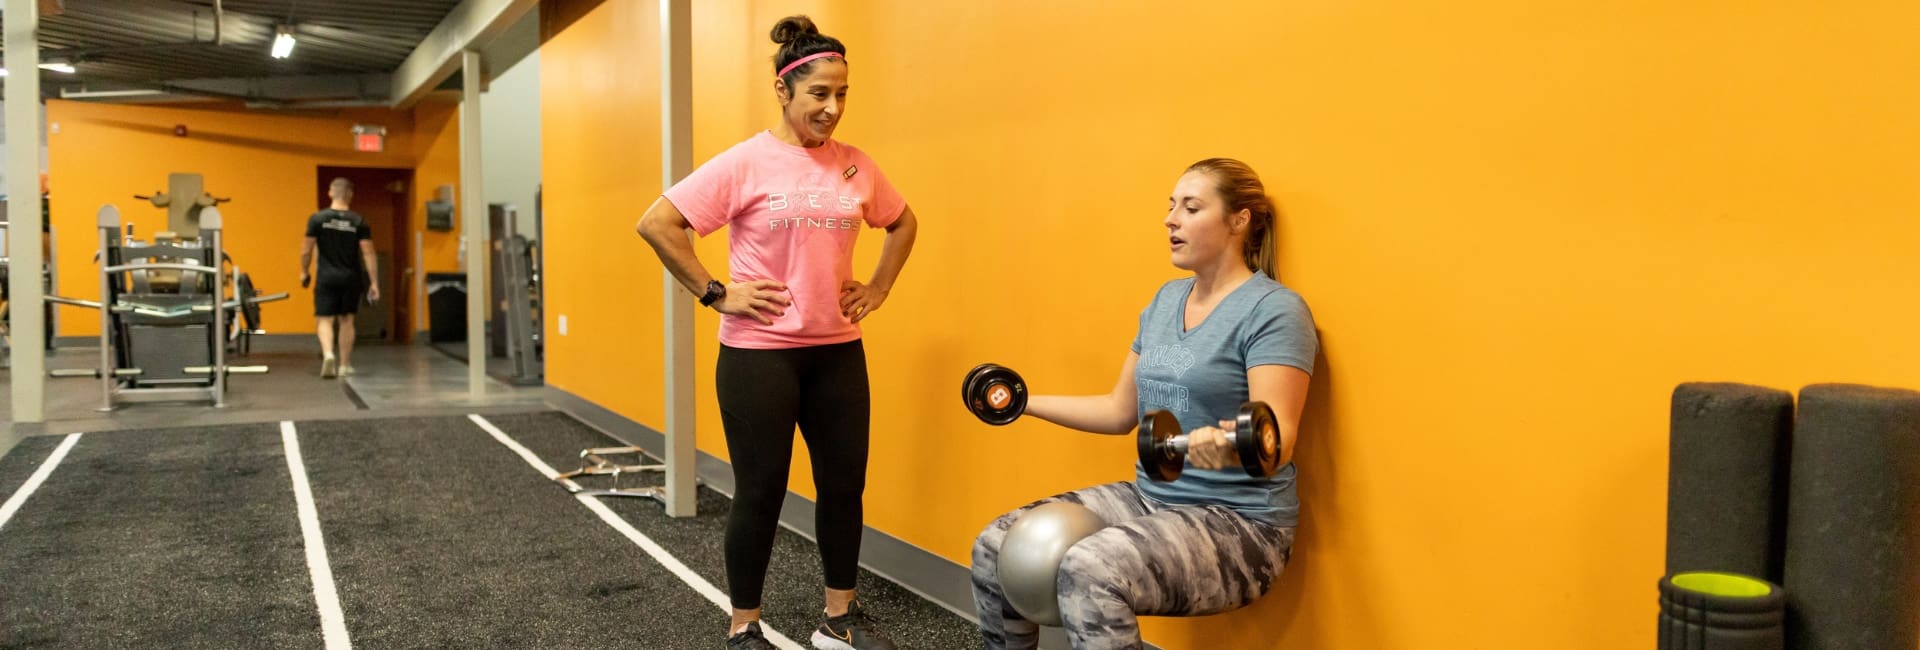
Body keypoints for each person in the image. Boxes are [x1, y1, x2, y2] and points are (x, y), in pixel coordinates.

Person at [634, 15, 918, 650]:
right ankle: (744, 626)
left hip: (837, 353)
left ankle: (838, 619)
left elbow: (902, 224)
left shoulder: (857, 167)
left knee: (844, 485)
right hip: (759, 356)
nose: (833, 108)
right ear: (785, 91)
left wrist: (878, 288)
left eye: (843, 94)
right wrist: (716, 292)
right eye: (820, 94)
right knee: (760, 491)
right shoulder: (744, 163)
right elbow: (658, 223)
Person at [970, 159, 1317, 649]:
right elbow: (1118, 411)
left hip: (1242, 522)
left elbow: (1275, 441)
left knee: (1091, 569)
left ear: (1239, 220)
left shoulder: (1274, 310)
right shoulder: (1164, 301)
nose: (1170, 219)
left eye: (1190, 207)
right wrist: (1020, 402)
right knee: (995, 546)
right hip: (1151, 497)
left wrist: (1202, 449)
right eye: (1171, 206)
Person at [300, 177, 379, 379]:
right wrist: (374, 282)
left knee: (324, 319)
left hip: (326, 276)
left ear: (330, 193)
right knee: (347, 320)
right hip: (351, 277)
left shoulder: (317, 219)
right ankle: (344, 365)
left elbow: (306, 250)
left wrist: (304, 271)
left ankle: (328, 354)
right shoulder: (358, 221)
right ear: (350, 195)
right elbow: (368, 253)